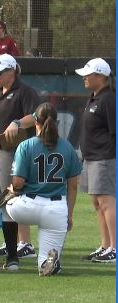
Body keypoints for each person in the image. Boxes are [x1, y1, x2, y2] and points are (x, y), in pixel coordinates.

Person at [5, 103, 81, 275]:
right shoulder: (67, 147)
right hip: (56, 209)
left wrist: (11, 189)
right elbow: (73, 186)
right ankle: (51, 263)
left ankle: (11, 257)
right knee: (45, 263)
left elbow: (17, 183)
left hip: (27, 207)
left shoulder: (26, 145)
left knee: (3, 204)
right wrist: (68, 216)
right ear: (57, 121)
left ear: (35, 122)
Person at [0, 54, 40, 269]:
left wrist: (17, 122)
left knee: (9, 196)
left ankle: (22, 243)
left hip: (10, 151)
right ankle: (16, 243)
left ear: (11, 71)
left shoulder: (25, 91)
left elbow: (36, 116)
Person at [75, 58, 116, 263]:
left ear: (99, 76)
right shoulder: (94, 97)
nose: (84, 77)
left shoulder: (109, 99)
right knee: (97, 203)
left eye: (88, 74)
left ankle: (114, 248)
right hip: (91, 158)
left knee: (106, 202)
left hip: (105, 158)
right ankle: (105, 245)